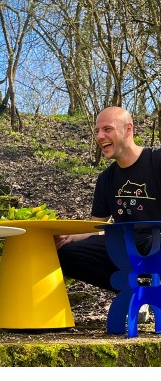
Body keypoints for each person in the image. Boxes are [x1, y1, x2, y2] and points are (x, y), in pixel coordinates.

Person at [56, 106, 161, 299]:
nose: (100, 136)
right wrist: (69, 237)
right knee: (66, 254)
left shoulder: (156, 160)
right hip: (124, 243)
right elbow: (97, 227)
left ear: (128, 129)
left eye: (107, 129)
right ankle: (135, 292)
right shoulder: (106, 178)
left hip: (157, 239)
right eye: (97, 131)